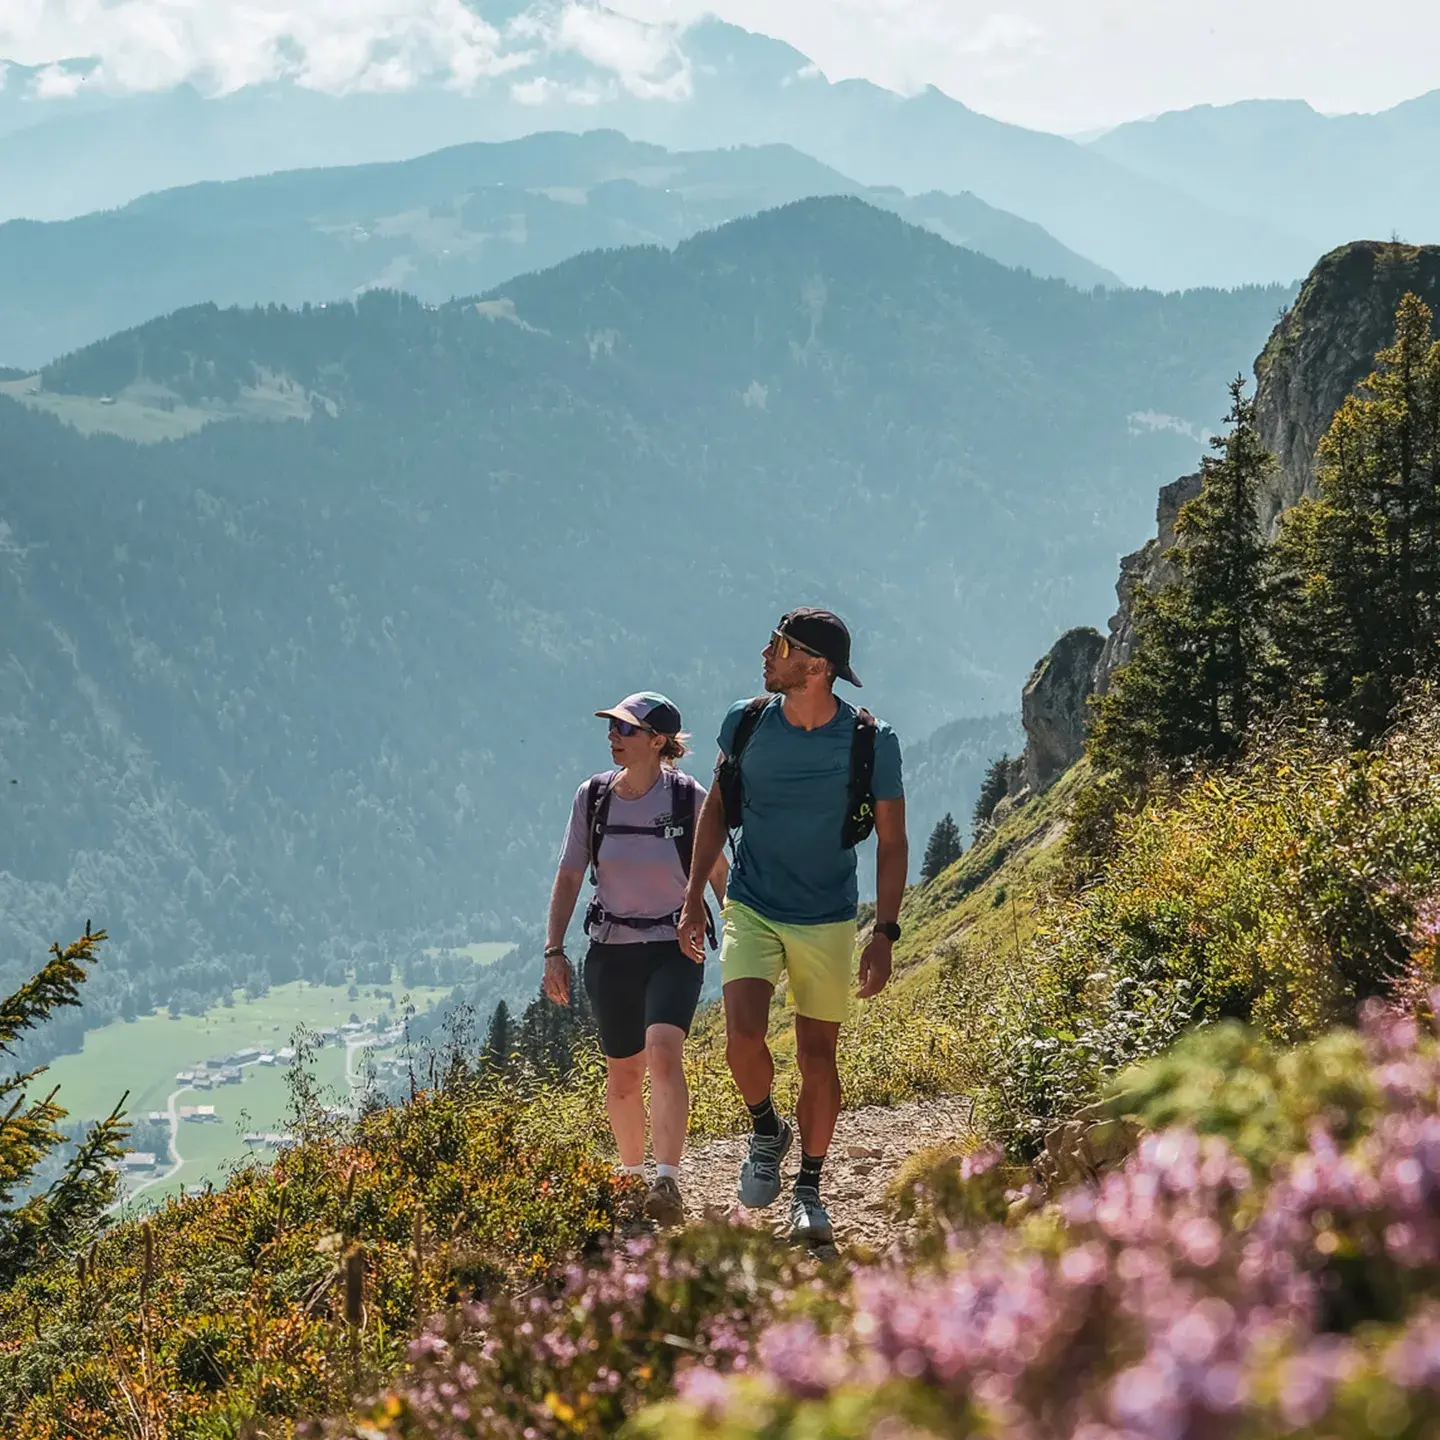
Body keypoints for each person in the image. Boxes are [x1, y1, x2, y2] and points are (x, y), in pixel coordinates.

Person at [678, 609, 907, 1245]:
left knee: (816, 1059)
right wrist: (693, 896)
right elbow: (717, 808)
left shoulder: (871, 741)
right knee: (742, 1038)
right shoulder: (746, 722)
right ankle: (766, 1130)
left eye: (779, 646)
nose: (765, 653)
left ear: (817, 667)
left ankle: (808, 1189)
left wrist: (885, 933)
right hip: (752, 903)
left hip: (827, 916)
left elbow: (892, 842)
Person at [543, 691, 727, 1226]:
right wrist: (554, 950)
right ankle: (631, 1178)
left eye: (625, 728)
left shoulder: (689, 798)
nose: (613, 736)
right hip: (611, 951)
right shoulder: (594, 797)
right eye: (612, 726)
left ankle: (666, 1180)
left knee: (664, 1052)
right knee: (623, 1073)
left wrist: (742, 941)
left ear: (657, 741)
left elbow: (719, 875)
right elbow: (570, 876)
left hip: (675, 946)